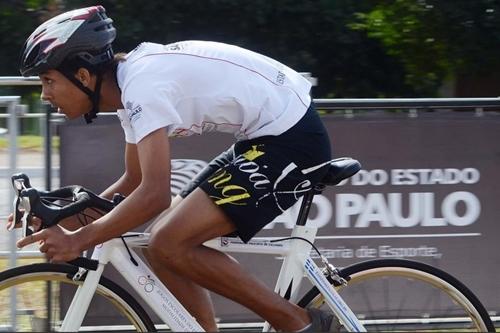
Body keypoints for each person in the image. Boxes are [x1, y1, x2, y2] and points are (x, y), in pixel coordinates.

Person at [13, 5, 337, 332]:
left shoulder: (142, 88)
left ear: (83, 76)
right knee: (162, 247)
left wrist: (79, 238)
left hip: (292, 138)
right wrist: (61, 214)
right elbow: (134, 180)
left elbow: (154, 195)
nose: (44, 95)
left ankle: (299, 323)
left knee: (168, 241)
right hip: (262, 137)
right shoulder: (128, 92)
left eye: (48, 81)